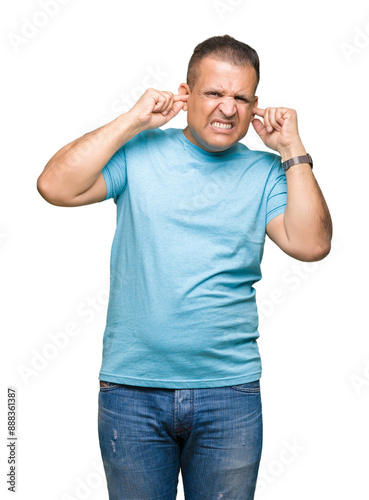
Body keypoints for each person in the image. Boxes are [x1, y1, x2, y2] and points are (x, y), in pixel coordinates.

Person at [37, 35, 332, 500]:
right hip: (132, 391)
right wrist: (132, 120)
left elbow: (312, 244)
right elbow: (55, 186)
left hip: (228, 394)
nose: (227, 108)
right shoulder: (140, 152)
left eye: (241, 97)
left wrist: (293, 151)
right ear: (186, 94)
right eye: (214, 93)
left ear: (255, 107)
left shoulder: (266, 173)